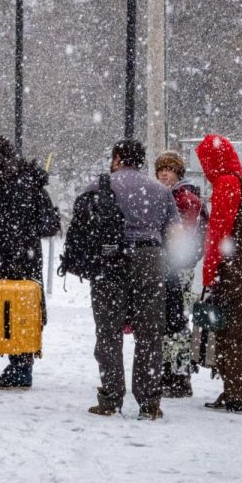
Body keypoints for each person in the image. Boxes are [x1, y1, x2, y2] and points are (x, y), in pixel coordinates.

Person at [85, 140, 180, 419]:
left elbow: (84, 226)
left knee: (108, 332)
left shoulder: (99, 185)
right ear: (141, 161)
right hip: (150, 259)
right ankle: (149, 402)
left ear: (117, 158)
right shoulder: (160, 191)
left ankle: (110, 397)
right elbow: (173, 233)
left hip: (110, 260)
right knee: (150, 333)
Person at [0, 136, 52, 389]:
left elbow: (13, 224)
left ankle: (20, 366)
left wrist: (11, 256)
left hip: (12, 257)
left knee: (15, 309)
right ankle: (19, 363)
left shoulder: (10, 181)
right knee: (18, 309)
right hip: (20, 254)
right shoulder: (17, 177)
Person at [196, 135, 242, 414]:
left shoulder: (225, 185)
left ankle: (235, 393)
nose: (204, 169)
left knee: (229, 333)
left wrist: (209, 271)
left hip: (234, 270)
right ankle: (241, 390)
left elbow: (218, 234)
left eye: (205, 162)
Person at [154, 151, 206, 398]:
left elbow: (178, 235)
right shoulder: (174, 195)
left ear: (178, 173)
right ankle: (173, 373)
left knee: (175, 321)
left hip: (180, 268)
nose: (164, 173)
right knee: (171, 320)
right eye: (161, 169)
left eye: (169, 169)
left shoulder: (184, 198)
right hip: (174, 266)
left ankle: (177, 376)